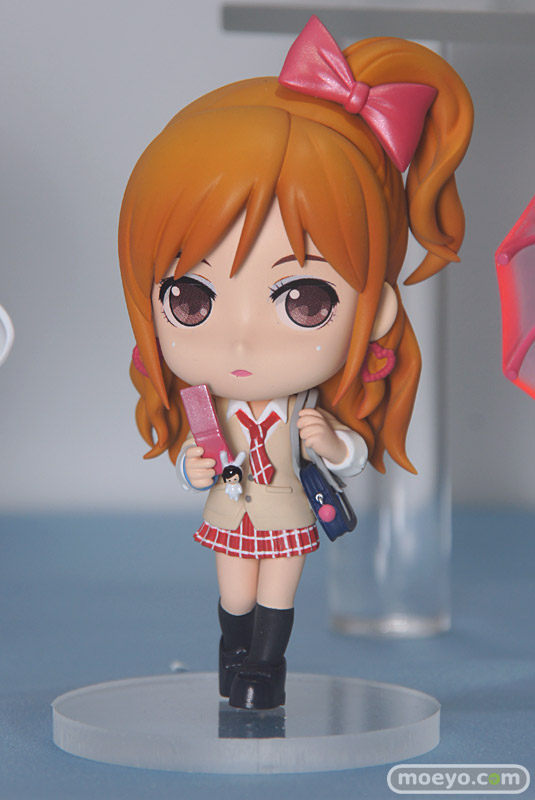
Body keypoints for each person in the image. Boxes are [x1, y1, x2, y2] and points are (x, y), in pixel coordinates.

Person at [118, 16, 473, 709]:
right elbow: (196, 452)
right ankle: (231, 659)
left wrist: (334, 442)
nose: (242, 341)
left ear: (376, 311)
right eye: (190, 299)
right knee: (234, 593)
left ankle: (265, 672)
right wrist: (194, 464)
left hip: (285, 512)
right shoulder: (206, 406)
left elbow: (344, 457)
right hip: (230, 510)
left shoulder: (305, 407)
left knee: (277, 591)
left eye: (303, 300)